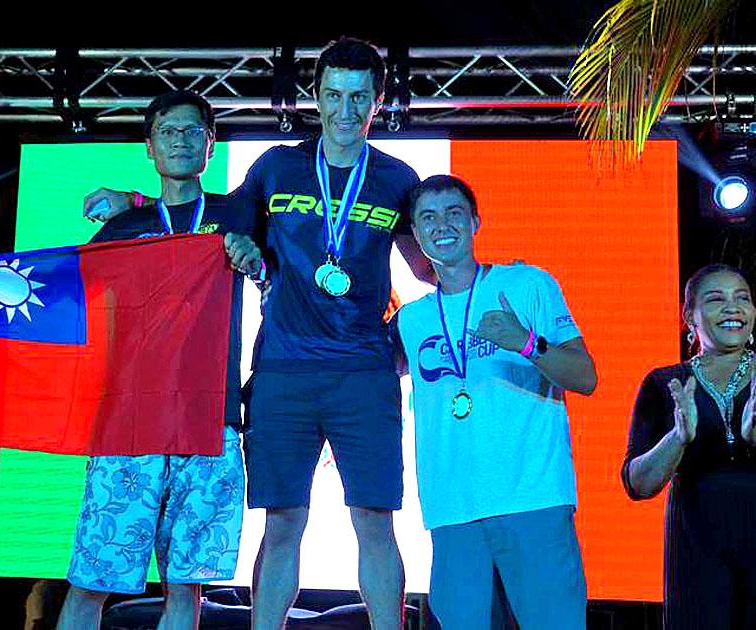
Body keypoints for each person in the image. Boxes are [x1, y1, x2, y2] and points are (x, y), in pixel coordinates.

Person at [85, 36, 434, 630]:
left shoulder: (398, 178)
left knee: (375, 522)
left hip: (364, 374)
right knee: (282, 524)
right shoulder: (276, 167)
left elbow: (428, 267)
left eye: (358, 97)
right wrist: (136, 200)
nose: (345, 111)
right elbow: (209, 217)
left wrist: (479, 293)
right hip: (282, 374)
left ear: (377, 101)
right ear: (315, 97)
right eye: (333, 95)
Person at [0, 89, 262, 630]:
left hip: (209, 420)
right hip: (129, 423)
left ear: (211, 144)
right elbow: (55, 285)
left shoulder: (236, 212)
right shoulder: (122, 230)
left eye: (193, 131)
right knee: (91, 582)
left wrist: (250, 256)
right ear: (150, 147)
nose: (181, 141)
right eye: (168, 132)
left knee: (186, 585)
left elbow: (280, 258)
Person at [392, 174, 597, 629]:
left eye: (454, 213)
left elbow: (585, 377)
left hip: (532, 499)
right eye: (428, 217)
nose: (442, 225)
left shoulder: (526, 284)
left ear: (475, 222)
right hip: (452, 511)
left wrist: (526, 342)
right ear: (416, 234)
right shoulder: (411, 319)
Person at [624, 263, 756, 629]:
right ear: (689, 316)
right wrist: (677, 438)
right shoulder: (665, 384)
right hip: (698, 553)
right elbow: (638, 484)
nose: (732, 308)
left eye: (742, 298)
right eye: (716, 299)